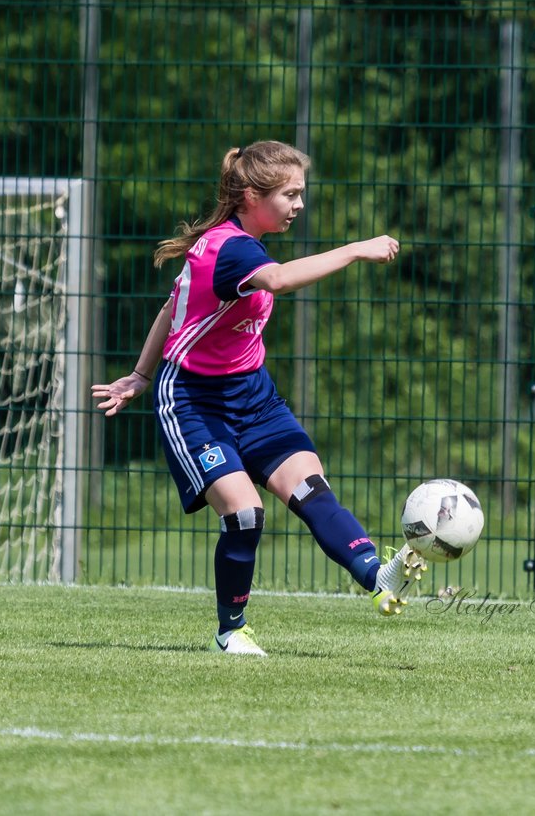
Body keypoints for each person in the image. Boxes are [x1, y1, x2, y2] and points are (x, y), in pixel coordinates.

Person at [91, 140, 427, 656]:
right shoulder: (232, 249)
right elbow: (281, 279)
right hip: (193, 402)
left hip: (253, 396)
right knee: (245, 515)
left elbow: (171, 306)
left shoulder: (235, 245)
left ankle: (378, 575)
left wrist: (137, 371)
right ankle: (231, 630)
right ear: (251, 195)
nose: (299, 205)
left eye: (301, 193)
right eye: (290, 195)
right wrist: (357, 248)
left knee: (312, 490)